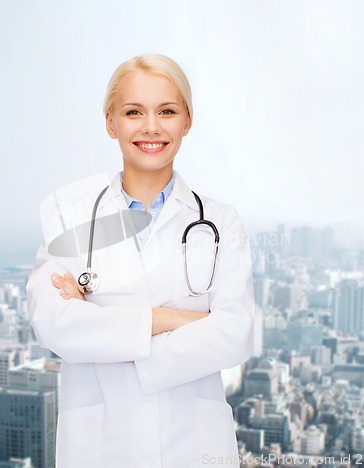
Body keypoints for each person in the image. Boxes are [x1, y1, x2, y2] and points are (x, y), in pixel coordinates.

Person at [26, 54, 255, 468]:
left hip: (195, 447)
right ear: (111, 122)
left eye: (166, 111)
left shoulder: (220, 222)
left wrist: (103, 332)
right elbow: (53, 324)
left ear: (187, 121)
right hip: (99, 449)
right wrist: (170, 319)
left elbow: (235, 334)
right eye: (134, 112)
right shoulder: (70, 215)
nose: (151, 126)